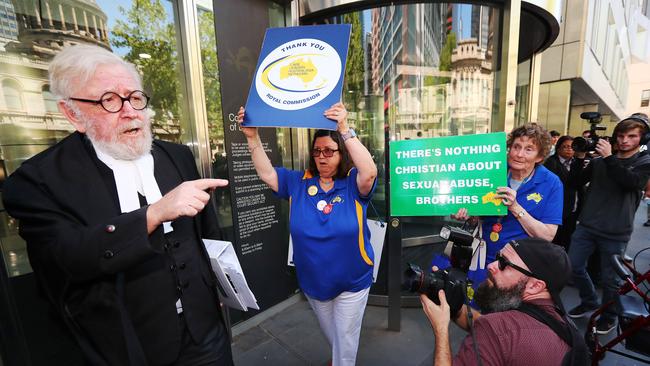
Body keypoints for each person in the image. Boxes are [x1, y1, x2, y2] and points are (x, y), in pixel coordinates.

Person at [1, 45, 233, 365]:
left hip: (205, 332)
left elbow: (203, 235)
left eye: (135, 97)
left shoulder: (177, 156)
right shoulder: (38, 181)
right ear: (73, 114)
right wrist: (152, 215)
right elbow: (66, 257)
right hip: (125, 348)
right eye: (110, 100)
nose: (130, 111)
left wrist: (219, 292)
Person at [237, 103, 377, 366]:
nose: (322, 157)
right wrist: (252, 137)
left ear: (341, 152)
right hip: (314, 282)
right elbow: (267, 174)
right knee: (334, 337)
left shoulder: (353, 183)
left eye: (329, 151)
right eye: (317, 151)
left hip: (352, 280)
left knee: (345, 342)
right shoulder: (298, 182)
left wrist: (345, 129)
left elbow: (370, 171)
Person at [434, 123, 563, 290]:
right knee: (476, 304)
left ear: (539, 156)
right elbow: (478, 216)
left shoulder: (551, 183)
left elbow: (547, 235)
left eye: (528, 149)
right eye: (516, 146)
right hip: (482, 254)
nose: (519, 154)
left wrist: (515, 208)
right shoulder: (492, 172)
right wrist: (468, 215)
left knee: (505, 310)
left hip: (517, 264)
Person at [421, 238, 578, 365]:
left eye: (504, 264)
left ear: (535, 285)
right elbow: (500, 333)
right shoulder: (565, 325)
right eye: (498, 258)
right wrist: (454, 307)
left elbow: (496, 332)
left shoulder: (496, 329)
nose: (491, 265)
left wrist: (441, 329)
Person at [565, 113, 650, 334]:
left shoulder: (643, 162)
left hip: (616, 231)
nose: (624, 141)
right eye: (620, 135)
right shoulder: (598, 161)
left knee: (611, 281)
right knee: (573, 267)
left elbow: (629, 182)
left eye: (631, 136)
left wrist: (609, 158)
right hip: (587, 226)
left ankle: (610, 315)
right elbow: (573, 182)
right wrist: (579, 157)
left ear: (641, 139)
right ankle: (590, 301)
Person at [544, 135, 582, 250]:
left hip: (573, 208)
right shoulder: (551, 163)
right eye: (565, 147)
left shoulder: (578, 162)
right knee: (555, 240)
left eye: (571, 147)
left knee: (568, 239)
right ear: (558, 148)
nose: (569, 149)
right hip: (558, 208)